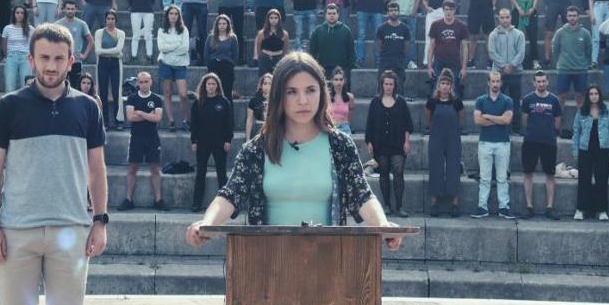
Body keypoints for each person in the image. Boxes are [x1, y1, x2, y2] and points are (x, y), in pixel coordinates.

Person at [0, 22, 107, 305]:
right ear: (31, 60)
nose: (51, 66)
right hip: (17, 230)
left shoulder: (88, 107)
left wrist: (101, 221)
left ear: (70, 61)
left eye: (58, 58)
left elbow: (97, 167)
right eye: (44, 58)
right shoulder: (9, 106)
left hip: (71, 230)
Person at [187, 54, 400, 244]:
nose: (303, 101)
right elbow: (229, 195)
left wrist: (384, 225)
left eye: (310, 90)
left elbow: (363, 195)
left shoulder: (341, 146)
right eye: (291, 92)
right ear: (278, 95)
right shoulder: (256, 149)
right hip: (269, 267)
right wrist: (206, 224)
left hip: (328, 266)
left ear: (321, 93)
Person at [366, 70, 414, 217]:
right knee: (384, 175)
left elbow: (407, 124)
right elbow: (370, 124)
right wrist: (369, 142)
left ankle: (399, 206)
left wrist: (407, 141)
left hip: (398, 144)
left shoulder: (401, 102)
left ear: (395, 85)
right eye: (386, 84)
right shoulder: (375, 102)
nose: (388, 86)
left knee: (399, 173)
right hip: (380, 144)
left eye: (390, 84)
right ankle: (386, 205)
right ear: (382, 85)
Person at [118, 71, 166, 211]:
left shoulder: (157, 99)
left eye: (146, 81)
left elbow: (157, 118)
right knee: (132, 168)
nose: (144, 84)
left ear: (151, 82)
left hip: (152, 138)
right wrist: (148, 115)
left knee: (155, 169)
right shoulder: (132, 98)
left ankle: (158, 199)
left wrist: (140, 113)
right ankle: (128, 199)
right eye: (141, 82)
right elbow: (130, 117)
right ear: (137, 83)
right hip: (136, 138)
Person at [471, 71, 516, 219]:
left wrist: (488, 116)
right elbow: (478, 121)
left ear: (501, 83)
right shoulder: (480, 100)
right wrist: (499, 119)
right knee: (485, 178)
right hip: (485, 143)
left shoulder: (508, 100)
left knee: (502, 178)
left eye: (498, 81)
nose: (495, 84)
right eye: (493, 81)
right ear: (488, 83)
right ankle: (482, 207)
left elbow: (506, 121)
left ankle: (504, 207)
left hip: (502, 143)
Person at [520, 72, 562, 219]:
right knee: (528, 173)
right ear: (534, 83)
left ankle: (550, 207)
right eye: (538, 81)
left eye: (543, 81)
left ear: (547, 82)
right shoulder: (527, 99)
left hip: (549, 142)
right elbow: (524, 120)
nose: (541, 84)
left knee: (550, 175)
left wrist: (551, 133)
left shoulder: (554, 100)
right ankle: (529, 206)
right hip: (531, 141)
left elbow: (557, 120)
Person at [570, 85, 609, 221]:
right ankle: (581, 209)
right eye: (591, 94)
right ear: (588, 96)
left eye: (596, 93)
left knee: (602, 179)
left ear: (600, 95)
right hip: (585, 149)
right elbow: (576, 131)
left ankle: (602, 210)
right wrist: (575, 150)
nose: (594, 96)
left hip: (602, 148)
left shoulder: (607, 111)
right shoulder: (582, 111)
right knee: (584, 179)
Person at [190, 72, 234, 213]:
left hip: (220, 142)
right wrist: (193, 141)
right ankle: (197, 203)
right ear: (204, 85)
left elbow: (229, 123)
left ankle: (225, 204)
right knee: (200, 173)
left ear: (217, 86)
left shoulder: (224, 102)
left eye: (213, 84)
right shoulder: (198, 102)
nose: (211, 86)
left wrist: (228, 140)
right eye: (208, 84)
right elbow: (194, 124)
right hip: (202, 142)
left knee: (221, 173)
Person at [425, 70, 463, 217]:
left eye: (448, 84)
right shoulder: (432, 101)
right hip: (436, 137)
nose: (445, 86)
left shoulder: (456, 102)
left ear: (451, 86)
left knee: (454, 168)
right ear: (438, 86)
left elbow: (461, 118)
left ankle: (455, 204)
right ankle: (435, 203)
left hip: (453, 137)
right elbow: (428, 116)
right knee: (436, 168)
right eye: (442, 83)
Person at [157, 5, 191, 130]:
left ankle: (186, 119)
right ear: (167, 15)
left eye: (176, 13)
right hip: (165, 64)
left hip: (180, 65)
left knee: (183, 94)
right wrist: (176, 45)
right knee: (167, 93)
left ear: (179, 16)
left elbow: (184, 48)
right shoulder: (161, 30)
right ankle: (171, 121)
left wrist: (170, 47)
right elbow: (162, 48)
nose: (173, 16)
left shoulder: (184, 30)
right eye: (171, 13)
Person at [93, 10, 126, 129]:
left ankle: (119, 120)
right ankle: (104, 121)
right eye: (108, 19)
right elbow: (97, 51)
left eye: (112, 19)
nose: (110, 21)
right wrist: (115, 53)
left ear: (116, 20)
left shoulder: (121, 33)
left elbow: (119, 49)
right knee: (103, 92)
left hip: (115, 64)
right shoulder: (99, 33)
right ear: (105, 20)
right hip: (102, 64)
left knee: (117, 92)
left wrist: (106, 52)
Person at [0, 5, 33, 94]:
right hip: (11, 57)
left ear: (25, 15)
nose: (19, 15)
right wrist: (6, 56)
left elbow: (33, 44)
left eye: (22, 13)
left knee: (26, 85)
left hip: (25, 57)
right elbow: (4, 43)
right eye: (17, 13)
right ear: (14, 14)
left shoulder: (30, 29)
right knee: (9, 85)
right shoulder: (7, 28)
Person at [206, 14, 239, 99]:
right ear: (216, 25)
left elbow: (235, 55)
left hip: (227, 66)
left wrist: (231, 64)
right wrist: (210, 64)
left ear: (228, 25)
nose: (222, 26)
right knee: (213, 92)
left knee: (227, 93)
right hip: (214, 65)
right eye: (220, 24)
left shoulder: (232, 38)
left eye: (224, 23)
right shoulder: (211, 37)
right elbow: (206, 54)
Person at [245, 73, 271, 140]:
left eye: (270, 84)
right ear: (261, 86)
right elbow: (249, 120)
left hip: (273, 130)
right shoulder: (253, 101)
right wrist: (247, 139)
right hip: (258, 130)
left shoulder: (278, 100)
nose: (267, 86)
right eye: (265, 83)